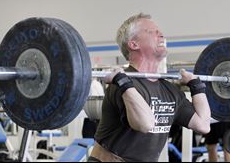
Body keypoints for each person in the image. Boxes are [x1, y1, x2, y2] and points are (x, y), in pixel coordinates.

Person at [88, 13, 211, 162]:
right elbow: (145, 124)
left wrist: (197, 87)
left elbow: (203, 125)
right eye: (151, 31)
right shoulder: (120, 84)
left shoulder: (169, 90)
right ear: (134, 44)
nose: (161, 35)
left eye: (159, 31)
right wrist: (123, 83)